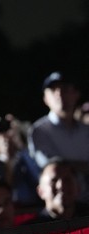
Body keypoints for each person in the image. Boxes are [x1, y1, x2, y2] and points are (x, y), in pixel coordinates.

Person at [27, 71, 89, 200]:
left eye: (65, 89)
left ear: (76, 94)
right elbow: (51, 167)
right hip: (60, 200)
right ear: (45, 98)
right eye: (53, 90)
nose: (59, 94)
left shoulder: (85, 130)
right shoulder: (39, 131)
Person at [25, 158, 89, 224]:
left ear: (78, 188)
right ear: (40, 191)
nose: (61, 186)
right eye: (54, 181)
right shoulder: (32, 228)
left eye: (67, 180)